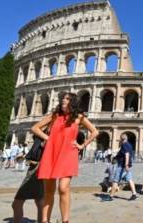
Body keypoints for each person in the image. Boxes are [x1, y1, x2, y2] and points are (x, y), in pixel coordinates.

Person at [31, 92, 98, 223]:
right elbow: (35, 128)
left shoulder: (79, 117)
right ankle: (45, 220)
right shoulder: (55, 115)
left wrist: (82, 145)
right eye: (63, 98)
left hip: (68, 153)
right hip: (51, 153)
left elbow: (95, 131)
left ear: (73, 102)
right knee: (49, 191)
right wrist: (48, 138)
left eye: (67, 99)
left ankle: (65, 220)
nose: (63, 100)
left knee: (63, 187)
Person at [108, 133, 138, 201]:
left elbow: (126, 154)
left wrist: (126, 165)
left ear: (121, 139)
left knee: (116, 180)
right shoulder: (129, 145)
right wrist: (116, 157)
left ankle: (111, 196)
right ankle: (134, 194)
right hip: (127, 165)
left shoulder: (124, 145)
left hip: (122, 166)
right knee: (130, 179)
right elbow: (124, 154)